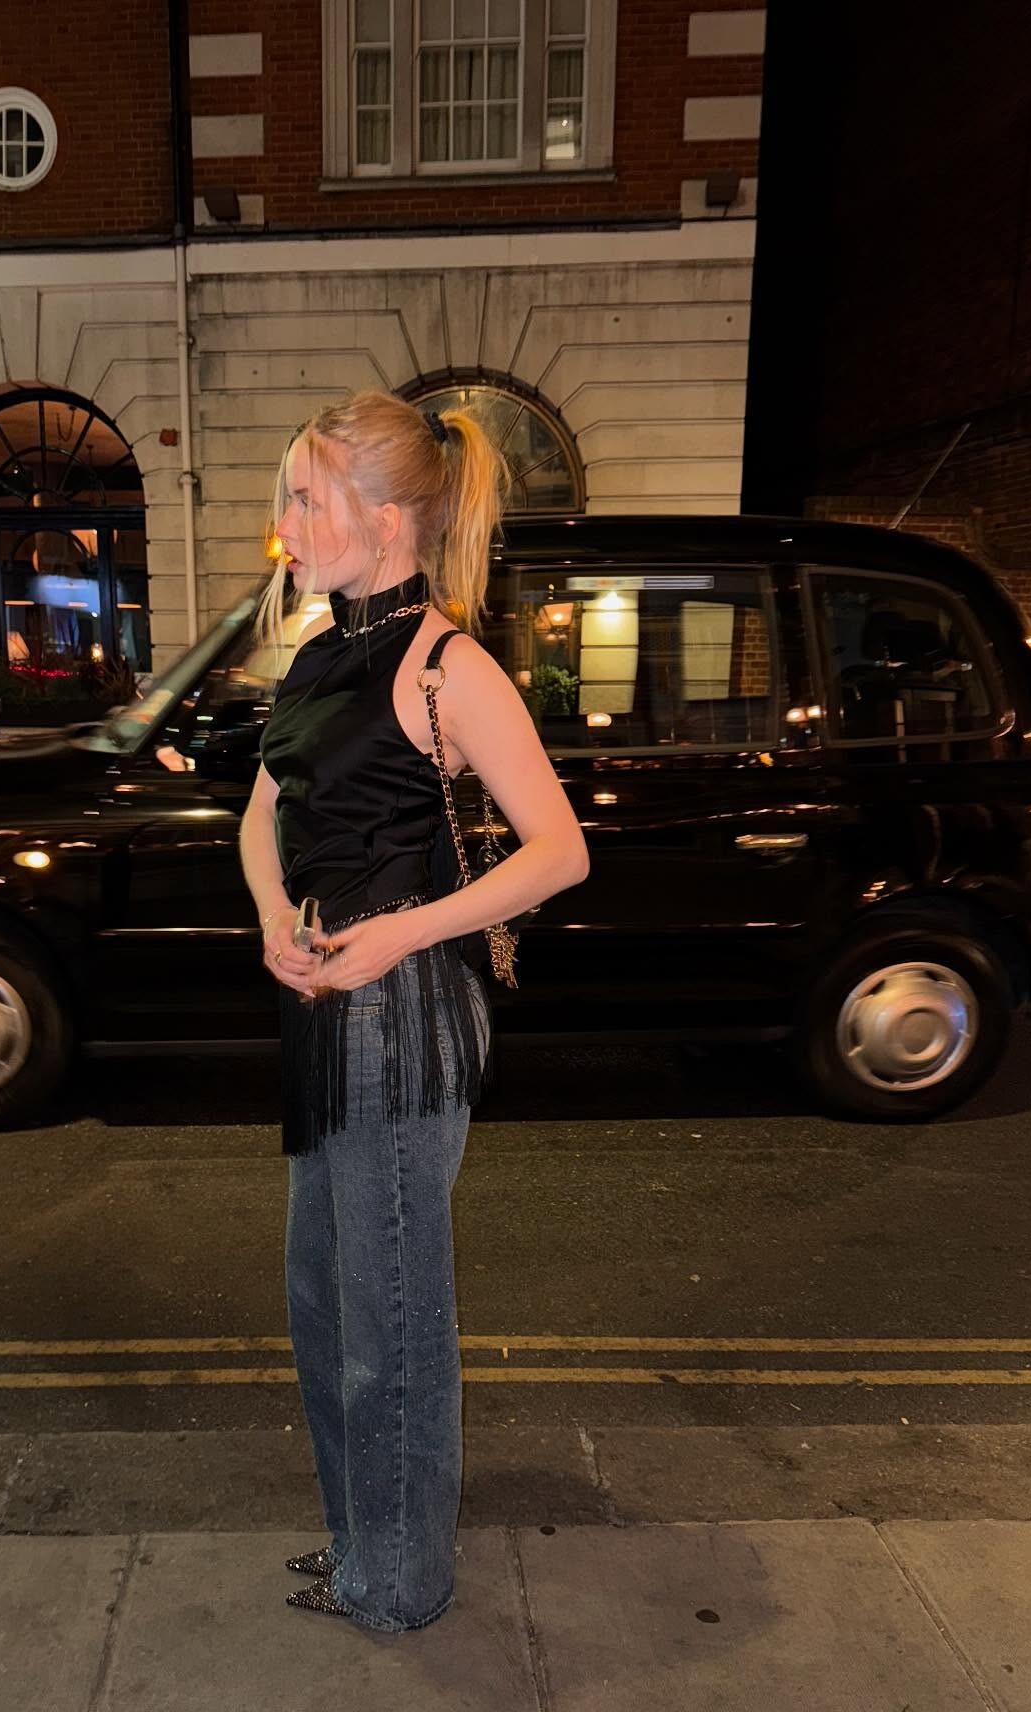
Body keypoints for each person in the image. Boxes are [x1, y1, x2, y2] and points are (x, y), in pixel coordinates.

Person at [238, 390, 589, 1632]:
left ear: (387, 520)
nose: (285, 524)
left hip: (401, 1018)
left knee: (389, 1323)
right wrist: (276, 921)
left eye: (306, 499)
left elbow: (560, 852)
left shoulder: (449, 666)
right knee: (324, 1305)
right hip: (325, 1008)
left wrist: (401, 929)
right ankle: (362, 1546)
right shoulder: (320, 651)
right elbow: (262, 816)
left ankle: (399, 1582)